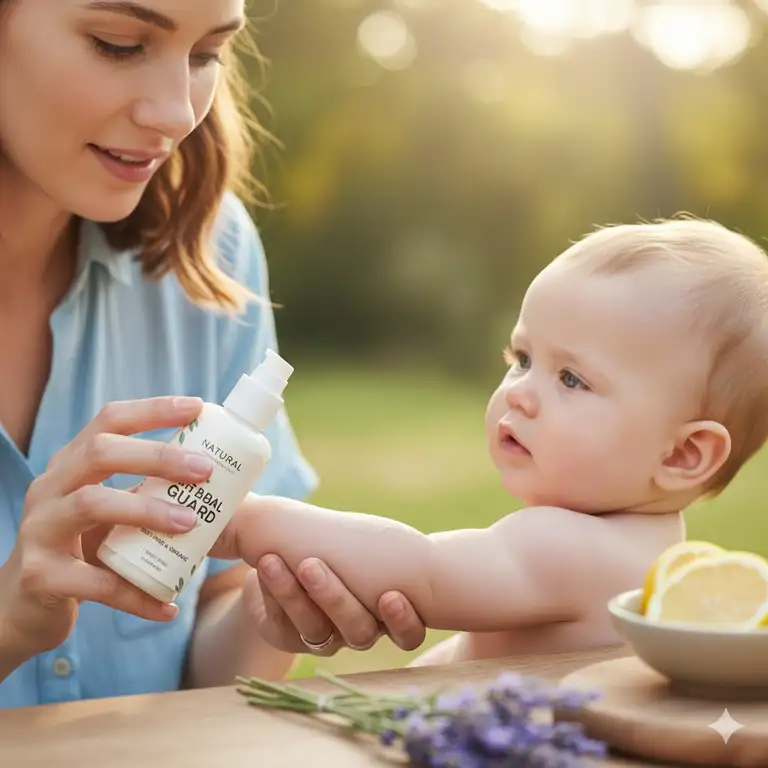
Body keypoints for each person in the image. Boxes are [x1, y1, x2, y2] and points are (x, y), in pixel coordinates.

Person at [0, 0, 427, 710]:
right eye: (117, 43)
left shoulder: (207, 253)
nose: (176, 112)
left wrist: (269, 617)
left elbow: (210, 638)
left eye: (205, 55)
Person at [215, 216, 768, 666]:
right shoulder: (643, 546)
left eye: (571, 379)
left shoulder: (575, 549)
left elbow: (420, 568)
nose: (520, 394)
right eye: (522, 359)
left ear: (682, 454)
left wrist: (242, 523)